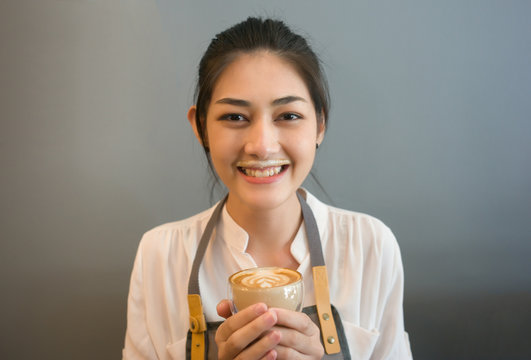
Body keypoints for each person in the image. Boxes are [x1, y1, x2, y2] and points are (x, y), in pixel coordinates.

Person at [123, 17, 412, 360]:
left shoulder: (371, 248)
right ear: (200, 127)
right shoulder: (160, 256)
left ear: (320, 124)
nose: (261, 145)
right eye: (234, 117)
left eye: (287, 116)